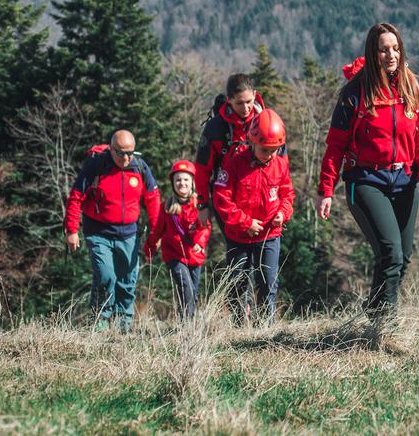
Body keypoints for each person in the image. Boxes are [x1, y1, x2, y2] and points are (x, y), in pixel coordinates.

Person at [316, 22, 419, 325]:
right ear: (373, 52)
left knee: (402, 256)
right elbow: (335, 147)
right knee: (390, 251)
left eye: (395, 48)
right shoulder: (353, 94)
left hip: (405, 180)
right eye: (384, 49)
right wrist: (325, 190)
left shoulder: (417, 88)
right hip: (365, 181)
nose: (391, 55)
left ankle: (374, 308)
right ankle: (387, 322)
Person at [63, 130, 161, 331]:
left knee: (127, 280)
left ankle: (124, 321)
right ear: (111, 149)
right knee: (106, 275)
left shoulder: (140, 167)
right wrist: (72, 230)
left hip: (129, 233)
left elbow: (153, 199)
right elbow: (75, 197)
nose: (126, 158)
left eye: (130, 153)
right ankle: (100, 318)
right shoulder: (96, 165)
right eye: (121, 153)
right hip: (98, 232)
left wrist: (156, 231)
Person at [211, 108, 295, 323]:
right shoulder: (234, 162)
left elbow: (287, 194)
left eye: (275, 149)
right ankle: (240, 324)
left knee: (267, 282)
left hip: (269, 235)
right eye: (265, 150)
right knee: (238, 282)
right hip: (239, 236)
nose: (270, 155)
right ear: (252, 142)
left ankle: (266, 326)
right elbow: (221, 197)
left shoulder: (280, 165)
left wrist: (282, 213)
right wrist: (245, 222)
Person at [144, 159, 211, 321]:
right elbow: (157, 230)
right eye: (178, 180)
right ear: (173, 183)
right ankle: (186, 325)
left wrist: (199, 243)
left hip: (195, 256)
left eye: (186, 179)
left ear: (193, 182)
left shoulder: (199, 204)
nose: (182, 183)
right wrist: (149, 249)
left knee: (192, 293)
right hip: (174, 255)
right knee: (185, 286)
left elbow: (206, 227)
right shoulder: (167, 206)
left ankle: (187, 323)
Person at [194, 73, 265, 226]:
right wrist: (202, 204)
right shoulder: (215, 128)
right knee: (237, 248)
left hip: (261, 196)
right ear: (229, 100)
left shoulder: (265, 121)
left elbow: (281, 162)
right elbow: (201, 169)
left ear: (255, 95)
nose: (245, 108)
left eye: (249, 101)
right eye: (239, 103)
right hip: (227, 199)